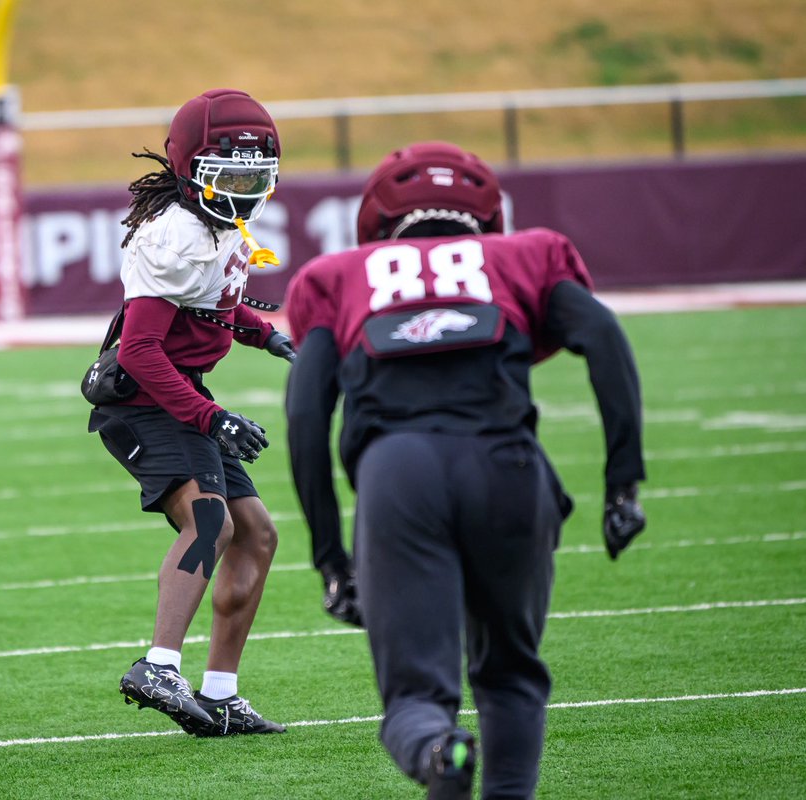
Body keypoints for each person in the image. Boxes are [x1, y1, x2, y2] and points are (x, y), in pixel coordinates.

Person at [283, 141, 647, 798]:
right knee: (509, 672)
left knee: (414, 698)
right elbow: (603, 338)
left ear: (377, 214)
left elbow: (306, 415)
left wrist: (330, 558)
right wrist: (622, 482)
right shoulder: (525, 254)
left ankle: (437, 748)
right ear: (485, 209)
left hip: (397, 472)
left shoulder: (337, 275)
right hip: (507, 463)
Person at [86, 88, 296, 738]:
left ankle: (222, 693)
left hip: (181, 391)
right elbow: (141, 347)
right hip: (148, 398)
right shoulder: (172, 230)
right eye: (225, 176)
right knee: (211, 523)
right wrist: (212, 417)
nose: (237, 191)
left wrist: (273, 338)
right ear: (188, 167)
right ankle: (158, 665)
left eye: (248, 178)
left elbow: (217, 306)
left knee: (256, 533)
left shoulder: (214, 225)